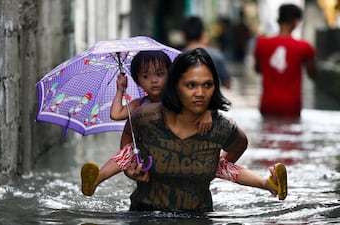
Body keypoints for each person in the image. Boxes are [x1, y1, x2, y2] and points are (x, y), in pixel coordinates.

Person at [122, 48, 287, 212]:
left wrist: (213, 167)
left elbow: (239, 146)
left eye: (208, 85)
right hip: (145, 214)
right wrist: (130, 167)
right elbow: (129, 135)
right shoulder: (147, 117)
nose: (200, 93)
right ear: (175, 85)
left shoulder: (221, 127)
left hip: (198, 216)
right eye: (191, 85)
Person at [81, 50, 213, 196]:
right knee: (127, 151)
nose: (153, 80)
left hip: (175, 149)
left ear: (169, 75)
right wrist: (120, 89)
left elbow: (200, 104)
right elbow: (116, 114)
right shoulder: (139, 104)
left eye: (159, 74)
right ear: (137, 80)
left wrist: (207, 113)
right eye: (145, 76)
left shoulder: (177, 99)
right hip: (147, 151)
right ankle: (95, 180)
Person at [254, 3, 316, 117]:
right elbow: (312, 74)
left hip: (268, 103)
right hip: (291, 105)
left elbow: (258, 70)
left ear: (278, 20)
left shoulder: (261, 43)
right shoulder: (304, 47)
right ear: (296, 22)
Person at [182, 16, 232, 89]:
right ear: (202, 33)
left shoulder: (178, 57)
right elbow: (227, 83)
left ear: (184, 34)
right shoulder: (217, 56)